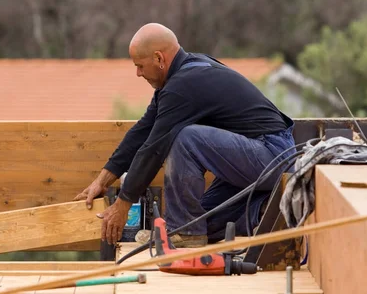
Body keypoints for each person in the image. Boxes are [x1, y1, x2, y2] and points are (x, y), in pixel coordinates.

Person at [74, 23, 296, 247]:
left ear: (159, 59)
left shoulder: (183, 85)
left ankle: (186, 236)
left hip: (273, 156)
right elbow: (142, 132)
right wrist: (100, 182)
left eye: (140, 66)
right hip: (260, 159)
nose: (138, 73)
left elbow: (154, 149)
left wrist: (122, 206)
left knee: (184, 138)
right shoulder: (179, 79)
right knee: (200, 221)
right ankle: (264, 210)